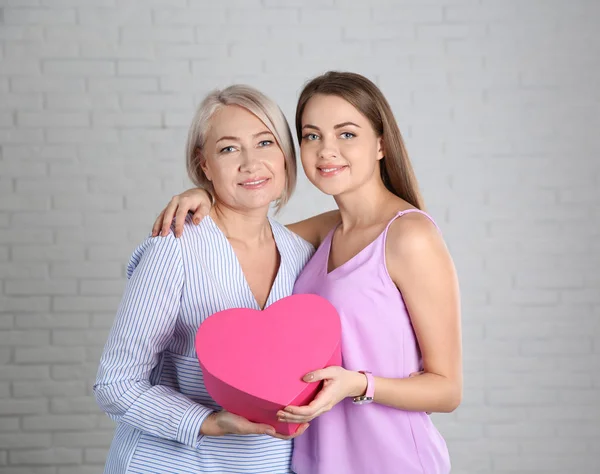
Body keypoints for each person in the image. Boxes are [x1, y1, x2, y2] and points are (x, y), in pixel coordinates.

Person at [152, 71, 462, 474]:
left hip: (388, 460)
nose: (326, 150)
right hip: (312, 462)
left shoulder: (409, 236)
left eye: (347, 134)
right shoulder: (323, 232)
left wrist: (359, 384)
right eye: (312, 136)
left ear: (381, 144)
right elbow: (243, 233)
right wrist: (204, 193)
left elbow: (447, 389)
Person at [94, 85, 337, 474]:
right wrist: (207, 422)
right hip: (168, 464)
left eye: (265, 143)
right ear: (203, 164)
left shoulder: (303, 256)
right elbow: (116, 385)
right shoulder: (174, 248)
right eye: (228, 149)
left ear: (286, 156)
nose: (251, 163)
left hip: (268, 466)